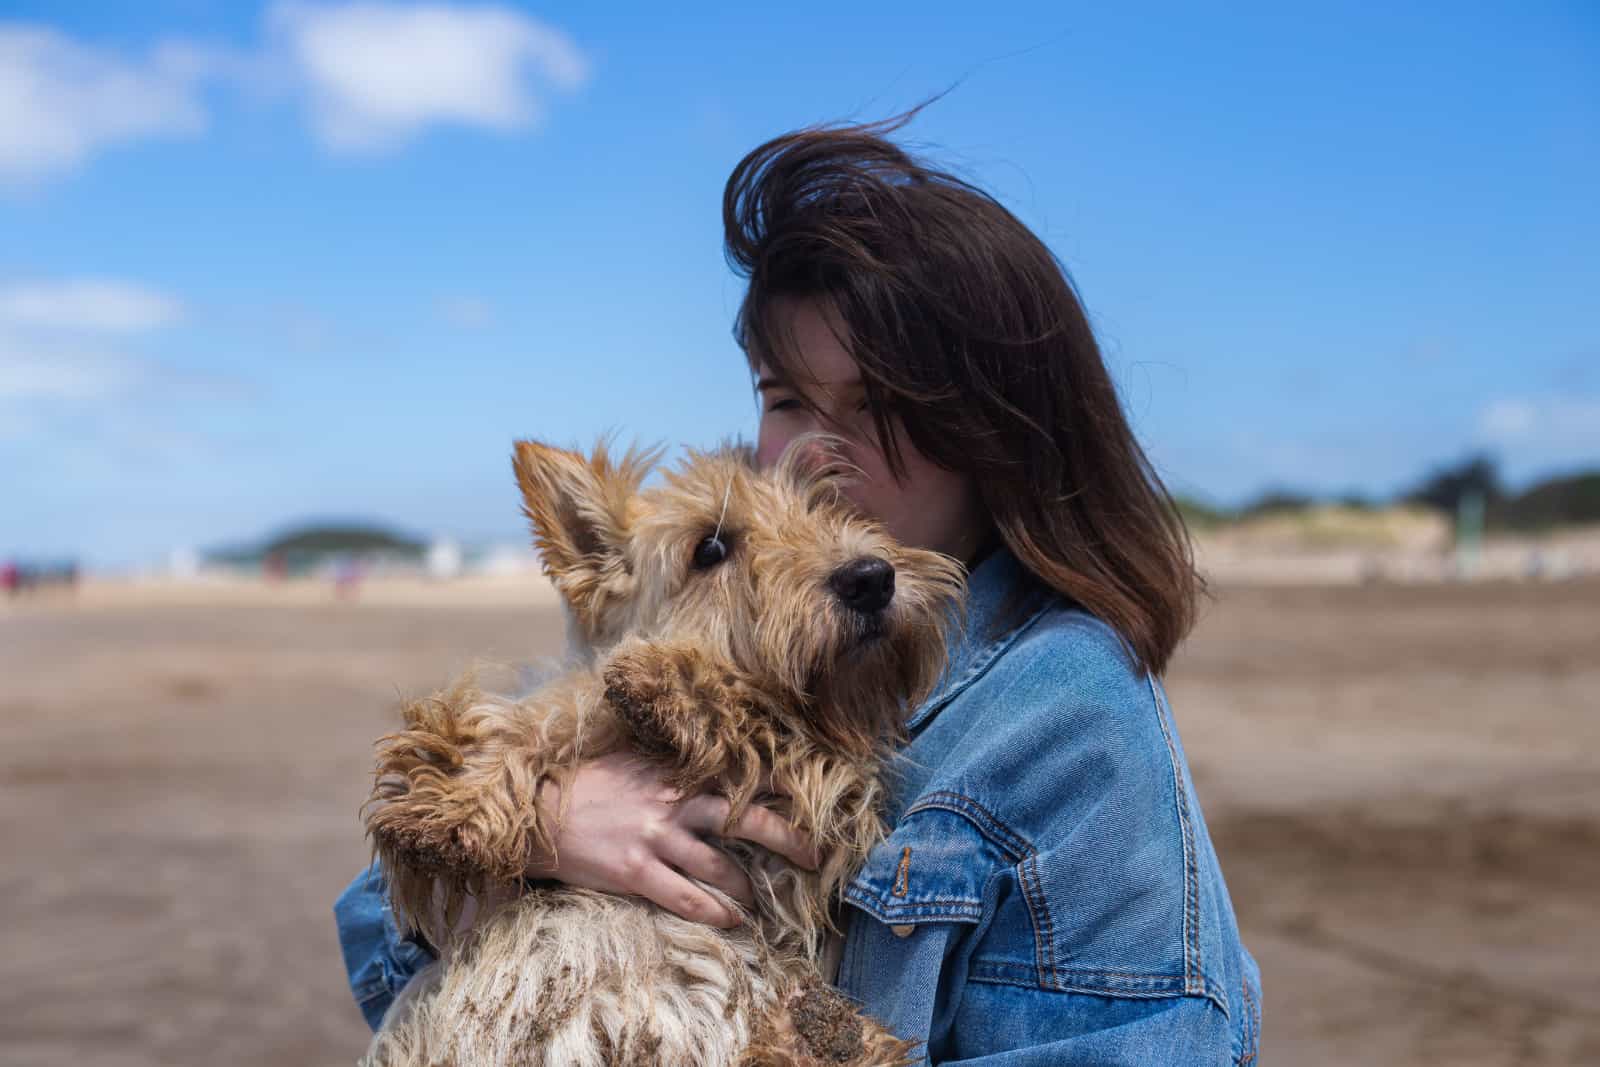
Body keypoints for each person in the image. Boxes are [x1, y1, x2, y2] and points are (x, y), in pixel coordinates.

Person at [336, 115, 1261, 1064]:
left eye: (882, 403)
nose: (818, 452)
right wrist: (544, 825)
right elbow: (377, 932)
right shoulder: (704, 672)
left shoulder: (1066, 715)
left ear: (996, 425)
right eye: (785, 400)